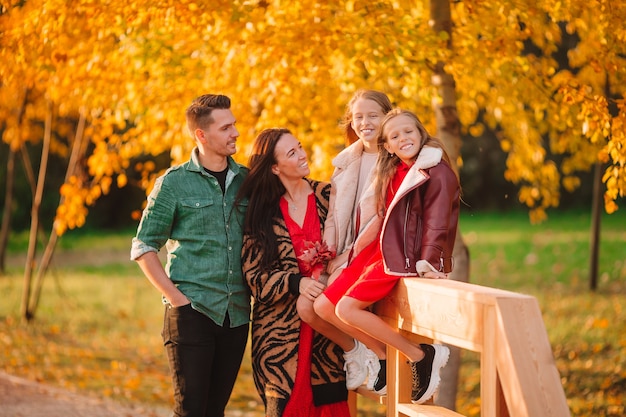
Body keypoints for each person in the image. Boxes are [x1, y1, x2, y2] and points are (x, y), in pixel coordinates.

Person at [316, 108, 460, 404]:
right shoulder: (394, 170)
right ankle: (383, 356)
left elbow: (437, 221)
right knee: (325, 307)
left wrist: (429, 261)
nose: (403, 138)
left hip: (402, 256)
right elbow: (379, 218)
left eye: (409, 131)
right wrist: (350, 253)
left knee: (347, 310)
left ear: (421, 133)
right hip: (376, 251)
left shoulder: (436, 171)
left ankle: (420, 355)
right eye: (395, 136)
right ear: (388, 146)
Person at [130, 94, 250, 417]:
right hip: (192, 312)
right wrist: (176, 299)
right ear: (201, 135)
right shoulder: (173, 184)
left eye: (234, 124)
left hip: (236, 315)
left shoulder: (247, 182)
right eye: (226, 128)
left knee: (215, 410)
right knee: (191, 411)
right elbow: (143, 246)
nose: (235, 132)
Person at [237, 128, 350, 417]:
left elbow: (351, 246)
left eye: (299, 147)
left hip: (327, 334)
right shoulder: (262, 212)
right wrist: (295, 283)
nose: (302, 154)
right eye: (292, 153)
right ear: (274, 168)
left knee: (331, 408)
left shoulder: (328, 196)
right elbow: (255, 278)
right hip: (280, 339)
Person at [296, 89, 393, 394]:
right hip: (339, 250)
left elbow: (381, 217)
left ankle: (379, 353)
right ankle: (355, 350)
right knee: (306, 306)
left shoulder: (393, 160)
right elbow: (334, 217)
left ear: (387, 117)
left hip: (368, 253)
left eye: (373, 116)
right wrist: (325, 253)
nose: (365, 123)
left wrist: (348, 256)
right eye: (359, 117)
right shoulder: (347, 161)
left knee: (328, 304)